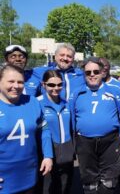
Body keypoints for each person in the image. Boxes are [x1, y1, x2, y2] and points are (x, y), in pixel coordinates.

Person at [70, 57, 120, 194]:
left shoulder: (114, 91)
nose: (92, 75)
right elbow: (72, 118)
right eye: (88, 72)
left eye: (96, 71)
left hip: (110, 141)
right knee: (89, 181)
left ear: (102, 72)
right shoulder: (76, 93)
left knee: (109, 181)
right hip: (84, 142)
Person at [0, 64, 53, 193]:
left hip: (30, 175)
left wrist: (48, 155)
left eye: (20, 82)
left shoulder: (32, 102)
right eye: (11, 81)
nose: (16, 86)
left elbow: (44, 129)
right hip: (4, 180)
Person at [37, 70, 74, 194]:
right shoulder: (37, 103)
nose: (56, 88)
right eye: (51, 85)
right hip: (47, 153)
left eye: (59, 84)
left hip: (66, 151)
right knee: (48, 188)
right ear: (43, 85)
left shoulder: (66, 103)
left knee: (65, 186)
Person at [99, 57, 120, 194]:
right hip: (99, 137)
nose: (103, 68)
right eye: (100, 65)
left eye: (106, 65)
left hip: (118, 137)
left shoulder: (118, 86)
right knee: (103, 169)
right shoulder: (91, 85)